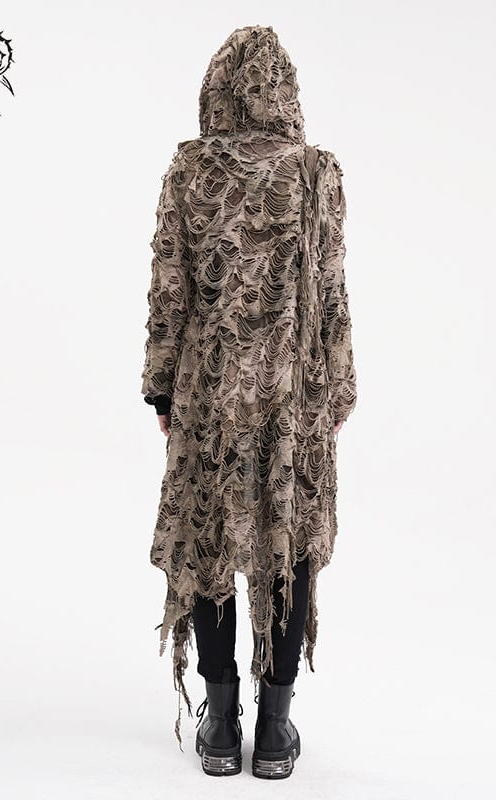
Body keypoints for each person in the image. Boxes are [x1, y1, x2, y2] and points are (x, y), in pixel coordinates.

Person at [140, 24, 357, 779]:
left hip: (210, 394)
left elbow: (169, 287)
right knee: (288, 545)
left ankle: (220, 725)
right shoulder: (314, 172)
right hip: (295, 394)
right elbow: (331, 292)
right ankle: (274, 727)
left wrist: (161, 387)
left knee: (208, 543)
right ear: (286, 93)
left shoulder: (190, 170)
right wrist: (339, 389)